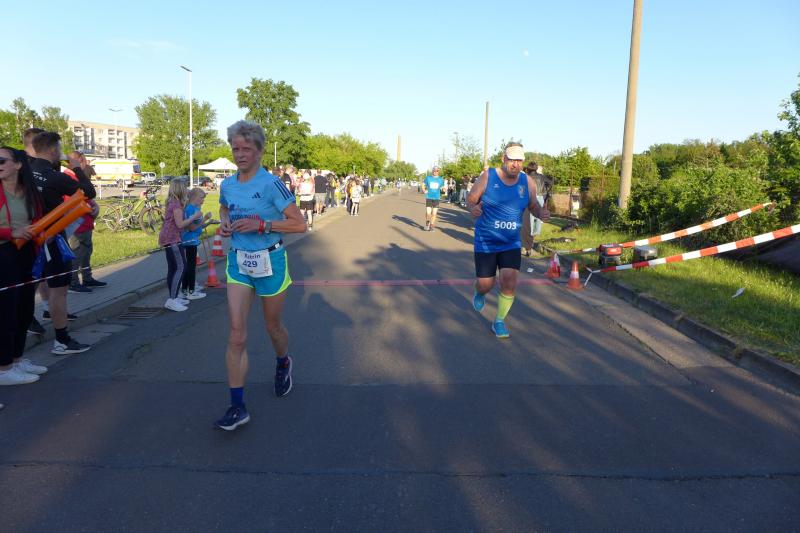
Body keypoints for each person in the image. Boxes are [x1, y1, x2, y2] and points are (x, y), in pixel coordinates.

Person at [216, 120, 307, 431]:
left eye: (246, 148)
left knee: (273, 327)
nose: (240, 154)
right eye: (235, 148)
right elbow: (224, 208)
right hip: (239, 262)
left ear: (259, 151)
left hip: (270, 260)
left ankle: (283, 362)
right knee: (236, 334)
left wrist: (263, 225)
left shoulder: (271, 184)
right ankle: (237, 406)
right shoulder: (227, 185)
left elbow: (299, 224)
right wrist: (225, 222)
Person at [467, 142, 550, 338]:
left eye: (519, 161)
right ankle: (480, 292)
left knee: (509, 282)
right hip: (486, 241)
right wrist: (473, 208)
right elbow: (471, 198)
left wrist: (540, 213)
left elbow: (533, 205)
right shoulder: (488, 176)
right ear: (504, 159)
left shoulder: (527, 182)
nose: (516, 164)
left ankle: (499, 321)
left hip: (511, 242)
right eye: (512, 160)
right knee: (486, 284)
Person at [30, 131, 95, 355]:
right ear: (53, 150)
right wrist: (77, 167)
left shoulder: (25, 171)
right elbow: (88, 191)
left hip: (28, 237)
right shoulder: (53, 176)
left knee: (29, 285)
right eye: (59, 148)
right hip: (52, 238)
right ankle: (62, 340)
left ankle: (17, 350)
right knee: (59, 290)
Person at [0, 146, 48, 385]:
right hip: (3, 254)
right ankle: (3, 368)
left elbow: (41, 218)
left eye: (2, 160)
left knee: (25, 309)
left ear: (18, 164)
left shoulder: (30, 191)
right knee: (5, 311)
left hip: (27, 252)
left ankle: (17, 360)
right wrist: (11, 233)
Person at [159, 177, 201, 312]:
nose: (187, 190)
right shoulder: (176, 205)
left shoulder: (172, 201)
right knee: (181, 267)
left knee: (173, 268)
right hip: (172, 239)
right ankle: (172, 300)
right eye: (185, 187)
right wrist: (194, 217)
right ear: (180, 189)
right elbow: (180, 224)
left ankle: (174, 296)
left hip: (169, 237)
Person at [66, 151, 106, 292]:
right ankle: (73, 282)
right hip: (77, 225)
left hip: (85, 222)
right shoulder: (69, 178)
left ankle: (87, 278)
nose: (85, 164)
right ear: (78, 161)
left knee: (86, 251)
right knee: (77, 253)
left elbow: (86, 197)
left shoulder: (77, 177)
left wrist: (93, 205)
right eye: (83, 161)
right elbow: (71, 202)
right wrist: (90, 208)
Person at [180, 187, 213, 300]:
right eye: (202, 198)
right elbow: (192, 228)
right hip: (189, 240)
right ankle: (190, 291)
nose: (203, 200)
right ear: (194, 198)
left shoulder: (195, 208)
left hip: (192, 240)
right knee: (190, 266)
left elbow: (198, 226)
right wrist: (205, 219)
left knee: (190, 265)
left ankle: (186, 289)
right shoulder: (190, 209)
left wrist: (208, 222)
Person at [422, 165, 444, 231]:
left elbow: (442, 187)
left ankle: (431, 226)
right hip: (429, 197)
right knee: (428, 213)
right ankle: (427, 223)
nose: (435, 172)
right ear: (432, 171)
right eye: (434, 171)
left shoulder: (441, 179)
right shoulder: (428, 178)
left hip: (436, 198)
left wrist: (443, 189)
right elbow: (423, 184)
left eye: (437, 171)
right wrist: (424, 190)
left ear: (438, 171)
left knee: (434, 213)